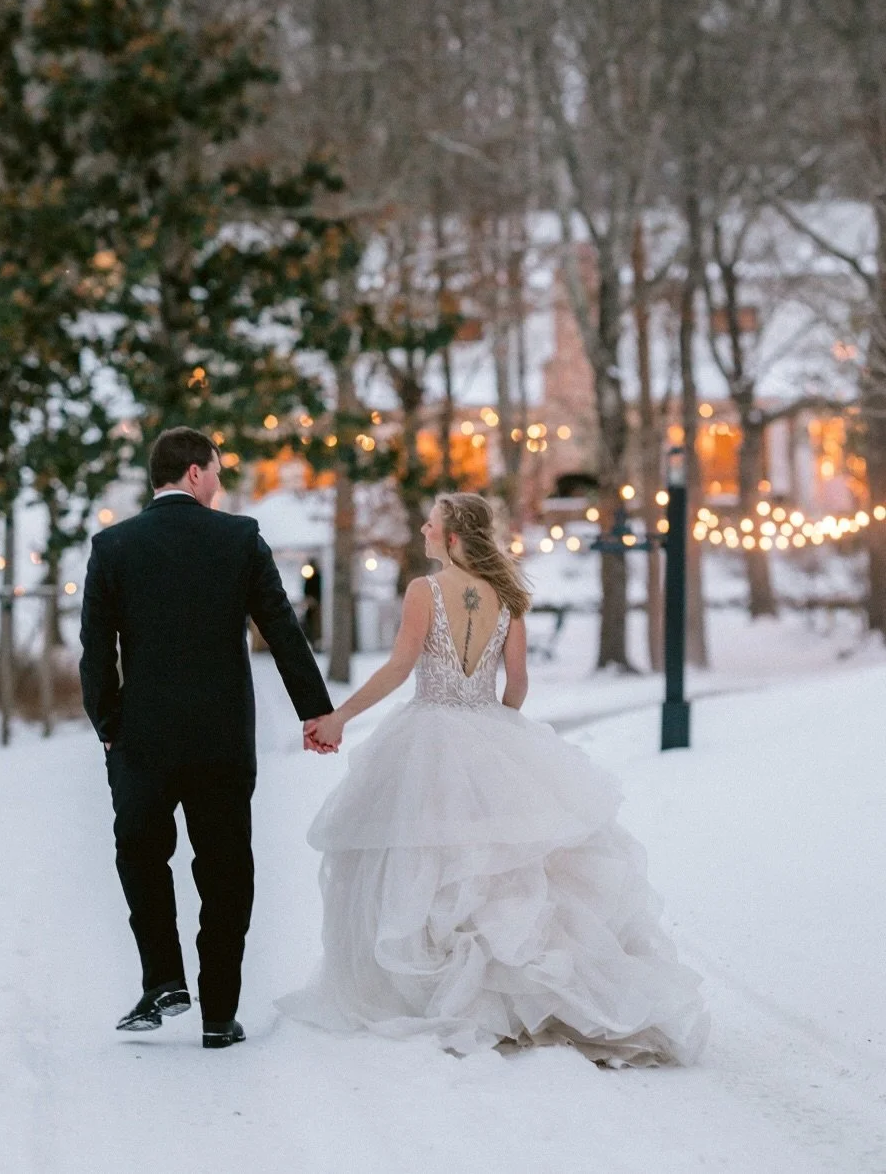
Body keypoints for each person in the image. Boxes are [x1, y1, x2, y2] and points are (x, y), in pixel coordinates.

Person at [281, 492, 709, 1065]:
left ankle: (436, 988)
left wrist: (339, 717)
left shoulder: (424, 590)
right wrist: (496, 730)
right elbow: (519, 683)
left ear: (453, 537)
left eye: (431, 522)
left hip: (428, 735)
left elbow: (400, 667)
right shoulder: (508, 598)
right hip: (489, 728)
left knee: (429, 861)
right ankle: (504, 993)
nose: (424, 528)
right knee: (491, 863)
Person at [80, 427, 334, 1049]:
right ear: (194, 473)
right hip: (221, 739)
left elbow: (95, 652)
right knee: (225, 868)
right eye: (217, 470)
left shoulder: (113, 546)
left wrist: (109, 726)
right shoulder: (239, 538)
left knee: (141, 855)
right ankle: (219, 1014)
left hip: (143, 738)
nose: (220, 482)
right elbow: (282, 628)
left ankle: (164, 979)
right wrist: (314, 711)